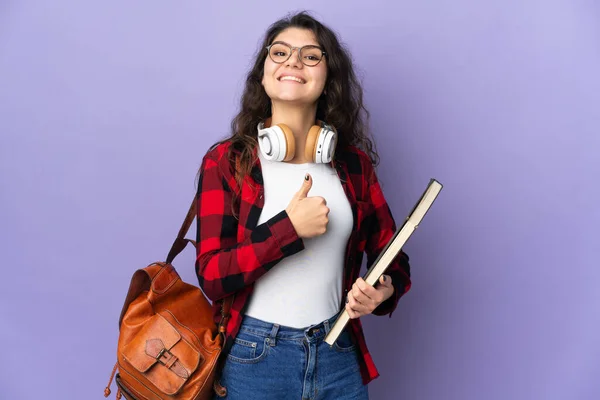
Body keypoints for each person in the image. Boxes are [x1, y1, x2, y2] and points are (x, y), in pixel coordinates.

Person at [195, 11, 411, 400]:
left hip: (338, 352)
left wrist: (383, 291)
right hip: (253, 357)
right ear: (263, 73)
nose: (293, 61)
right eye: (280, 53)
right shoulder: (227, 162)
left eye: (311, 56)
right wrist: (287, 229)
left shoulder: (354, 166)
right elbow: (212, 275)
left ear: (328, 78)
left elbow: (394, 258)